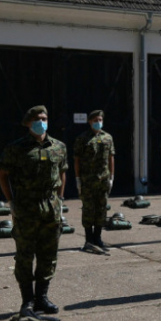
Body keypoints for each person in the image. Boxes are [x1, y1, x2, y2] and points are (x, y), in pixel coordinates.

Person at [0, 105, 68, 320]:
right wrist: (11, 201)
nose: (41, 122)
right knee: (25, 256)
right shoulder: (16, 148)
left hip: (51, 209)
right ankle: (27, 300)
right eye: (37, 119)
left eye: (44, 118)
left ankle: (42, 298)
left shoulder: (58, 147)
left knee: (48, 255)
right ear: (28, 123)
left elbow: (62, 172)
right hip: (26, 209)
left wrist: (60, 200)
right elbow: (2, 174)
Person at [73, 109, 115, 254]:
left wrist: (111, 177)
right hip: (88, 181)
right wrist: (78, 179)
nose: (98, 122)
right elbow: (77, 159)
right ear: (90, 122)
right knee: (88, 209)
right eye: (95, 120)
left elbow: (111, 157)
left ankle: (98, 238)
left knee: (101, 209)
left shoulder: (107, 138)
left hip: (103, 179)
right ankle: (88, 239)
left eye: (100, 120)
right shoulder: (82, 138)